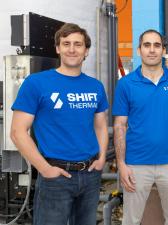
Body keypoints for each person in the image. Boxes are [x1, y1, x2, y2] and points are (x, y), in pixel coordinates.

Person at [10, 23, 108, 225]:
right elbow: (18, 132)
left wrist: (102, 158)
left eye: (78, 44)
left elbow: (100, 125)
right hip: (56, 177)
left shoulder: (95, 86)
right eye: (66, 44)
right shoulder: (36, 83)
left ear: (86, 50)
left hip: (90, 175)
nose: (72, 49)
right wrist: (45, 169)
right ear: (58, 48)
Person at [113, 29, 168, 225]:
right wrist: (121, 164)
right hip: (136, 164)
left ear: (162, 50)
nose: (152, 50)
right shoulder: (126, 84)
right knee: (131, 220)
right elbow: (119, 126)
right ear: (139, 50)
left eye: (157, 45)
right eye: (147, 45)